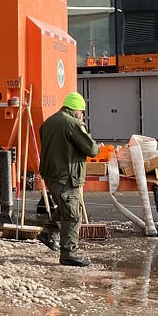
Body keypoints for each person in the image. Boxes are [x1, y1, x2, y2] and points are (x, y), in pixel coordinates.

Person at [38, 91, 100, 267]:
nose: (82, 115)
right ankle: (69, 255)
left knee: (66, 206)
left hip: (51, 174)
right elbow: (92, 150)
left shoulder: (49, 122)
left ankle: (48, 232)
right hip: (66, 175)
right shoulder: (73, 124)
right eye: (82, 112)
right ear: (77, 110)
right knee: (73, 215)